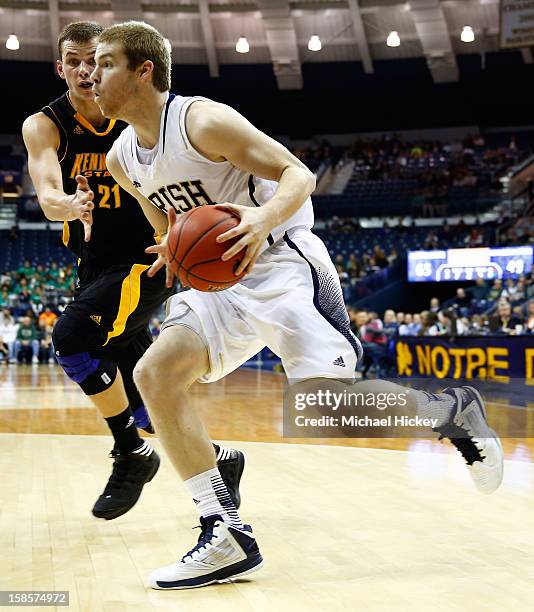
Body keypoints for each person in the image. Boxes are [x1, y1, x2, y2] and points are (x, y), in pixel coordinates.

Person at [92, 21, 504, 589]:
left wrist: (260, 220)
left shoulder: (200, 121)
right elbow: (167, 219)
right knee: (155, 374)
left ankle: (451, 414)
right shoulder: (121, 159)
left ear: (144, 71)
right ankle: (224, 532)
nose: (91, 73)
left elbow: (298, 174)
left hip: (282, 264)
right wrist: (171, 247)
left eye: (106, 62)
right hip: (221, 283)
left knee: (326, 409)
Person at [22, 21, 243, 521]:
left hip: (149, 257)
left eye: (94, 60)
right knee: (151, 405)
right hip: (95, 267)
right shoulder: (45, 125)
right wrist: (66, 203)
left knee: (73, 338)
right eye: (74, 61)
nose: (85, 70)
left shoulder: (132, 114)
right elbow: (47, 191)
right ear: (61, 69)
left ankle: (130, 455)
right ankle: (220, 461)